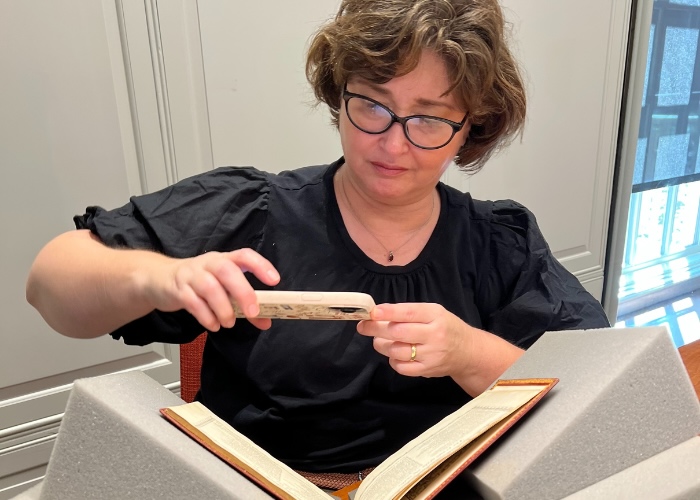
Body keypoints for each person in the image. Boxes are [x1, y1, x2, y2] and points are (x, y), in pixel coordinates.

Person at [26, 0, 609, 494]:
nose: (392, 143)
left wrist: (468, 352)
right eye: (372, 105)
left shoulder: (497, 242)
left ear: (471, 127)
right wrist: (158, 278)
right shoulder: (252, 210)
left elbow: (594, 386)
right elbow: (49, 285)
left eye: (429, 119)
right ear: (340, 92)